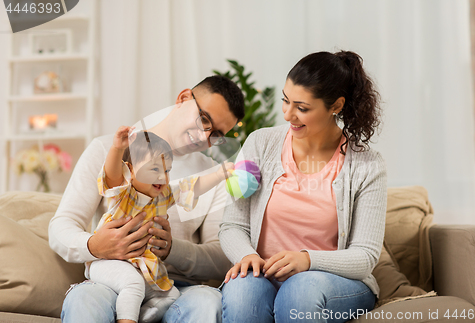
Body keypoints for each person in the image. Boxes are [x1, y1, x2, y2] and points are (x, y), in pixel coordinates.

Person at [49, 75, 245, 323]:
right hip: (113, 278)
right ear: (183, 98)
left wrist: (172, 250)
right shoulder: (109, 151)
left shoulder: (212, 177)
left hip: (173, 288)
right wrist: (94, 246)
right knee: (84, 299)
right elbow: (60, 226)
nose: (204, 135)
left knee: (208, 302)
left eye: (216, 133)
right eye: (204, 119)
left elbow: (221, 260)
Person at [219, 51, 387, 323]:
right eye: (285, 101)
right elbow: (232, 225)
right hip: (264, 275)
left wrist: (307, 261)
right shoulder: (259, 144)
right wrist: (247, 255)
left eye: (302, 108)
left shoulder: (367, 164)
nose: (288, 115)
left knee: (299, 290)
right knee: (242, 291)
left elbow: (365, 256)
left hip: (330, 283)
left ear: (336, 106)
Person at [88, 126, 233, 323]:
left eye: (167, 170)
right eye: (155, 169)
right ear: (130, 170)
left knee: (171, 295)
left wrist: (220, 174)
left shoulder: (163, 195)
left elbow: (192, 187)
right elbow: (111, 175)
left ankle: (143, 316)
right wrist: (116, 149)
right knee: (133, 284)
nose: (163, 178)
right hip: (109, 264)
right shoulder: (123, 192)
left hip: (143, 267)